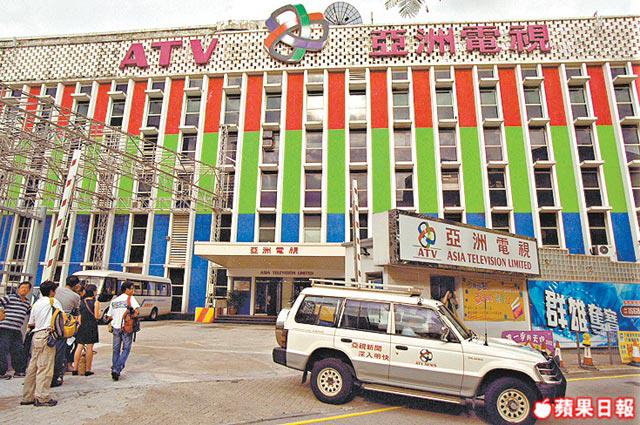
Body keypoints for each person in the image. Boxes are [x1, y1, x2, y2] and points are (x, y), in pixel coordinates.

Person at [21, 280, 62, 407]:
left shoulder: (36, 304)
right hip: (47, 335)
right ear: (52, 291)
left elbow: (31, 323)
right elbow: (62, 318)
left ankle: (27, 396)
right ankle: (42, 397)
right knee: (45, 367)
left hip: (36, 335)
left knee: (33, 367)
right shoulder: (53, 302)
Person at [106, 281, 139, 381]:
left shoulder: (114, 300)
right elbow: (137, 312)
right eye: (132, 288)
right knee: (126, 349)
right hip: (126, 327)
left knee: (116, 349)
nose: (133, 291)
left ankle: (115, 368)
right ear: (127, 289)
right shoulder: (131, 299)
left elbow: (109, 316)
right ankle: (117, 369)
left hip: (116, 327)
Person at [52, 275, 81, 387]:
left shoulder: (57, 290)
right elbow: (76, 312)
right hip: (63, 325)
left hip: (51, 322)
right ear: (76, 285)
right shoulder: (76, 296)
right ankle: (56, 377)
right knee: (60, 351)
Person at [0, 281, 32, 379]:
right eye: (22, 287)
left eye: (26, 288)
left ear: (29, 290)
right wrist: (1, 311)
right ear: (18, 289)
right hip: (5, 328)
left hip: (17, 330)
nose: (24, 290)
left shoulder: (27, 303)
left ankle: (19, 371)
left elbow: (30, 313)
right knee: (2, 350)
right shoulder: (10, 297)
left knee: (18, 350)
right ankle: (1, 372)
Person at [73, 284, 100, 376]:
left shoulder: (82, 302)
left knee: (79, 346)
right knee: (89, 347)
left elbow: (79, 318)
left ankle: (75, 369)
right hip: (91, 326)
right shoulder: (96, 302)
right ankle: (88, 369)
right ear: (93, 292)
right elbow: (97, 316)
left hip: (82, 326)